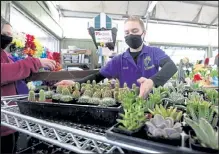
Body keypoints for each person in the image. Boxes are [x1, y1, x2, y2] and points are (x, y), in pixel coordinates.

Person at [55, 16, 177, 98]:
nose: (130, 35)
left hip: (151, 103)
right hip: (126, 103)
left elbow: (171, 67)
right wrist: (76, 83)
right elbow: (98, 76)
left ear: (143, 33)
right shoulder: (118, 60)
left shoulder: (154, 52)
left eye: (135, 31)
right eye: (127, 32)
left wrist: (152, 82)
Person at [1, 16, 56, 154]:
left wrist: (47, 80)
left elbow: (15, 75)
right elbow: (4, 73)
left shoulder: (4, 54)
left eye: (10, 34)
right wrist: (35, 62)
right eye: (5, 34)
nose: (9, 38)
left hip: (9, 122)